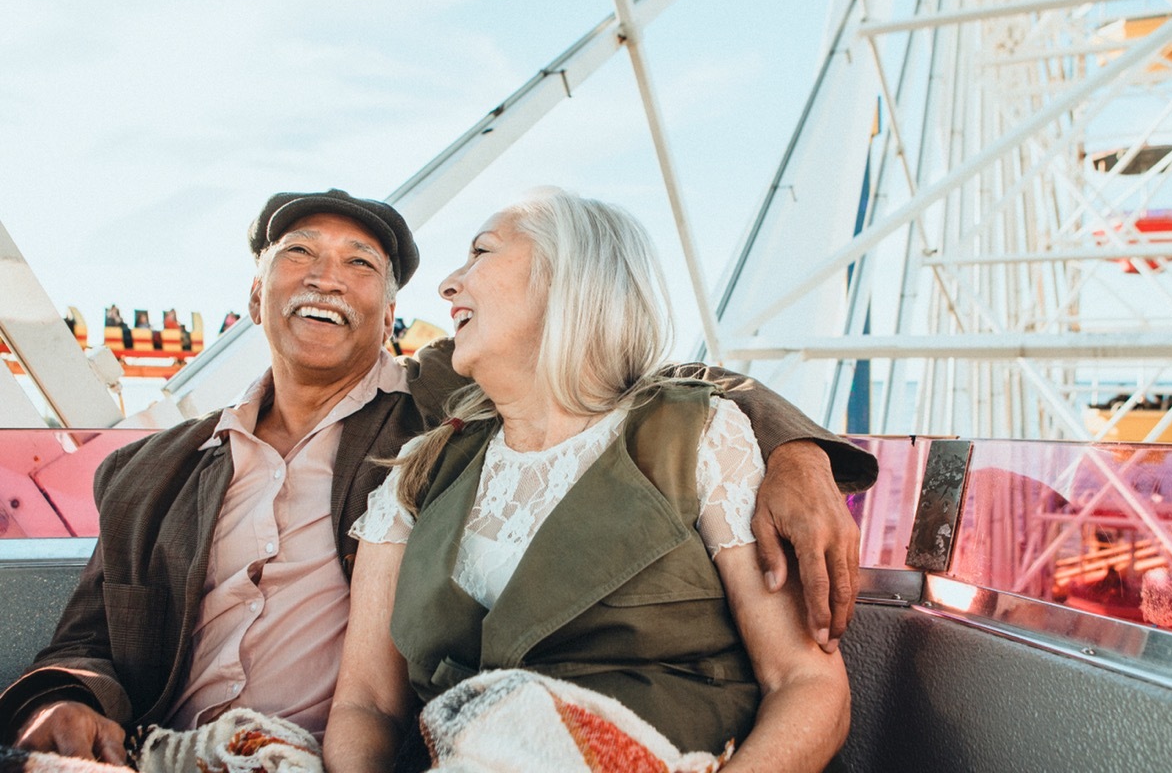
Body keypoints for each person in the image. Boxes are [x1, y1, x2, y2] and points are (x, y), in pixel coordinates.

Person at [0, 189, 876, 763]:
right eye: (299, 254)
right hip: (182, 746)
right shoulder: (144, 473)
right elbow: (82, 643)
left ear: (391, 316)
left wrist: (799, 452)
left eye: (361, 266)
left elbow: (651, 384)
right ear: (257, 284)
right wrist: (60, 702)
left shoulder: (432, 413)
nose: (324, 278)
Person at [325, 188, 864, 772]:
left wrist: (800, 451)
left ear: (568, 277)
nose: (448, 283)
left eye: (481, 252)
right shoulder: (418, 471)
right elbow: (368, 704)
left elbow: (806, 683)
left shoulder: (698, 436)